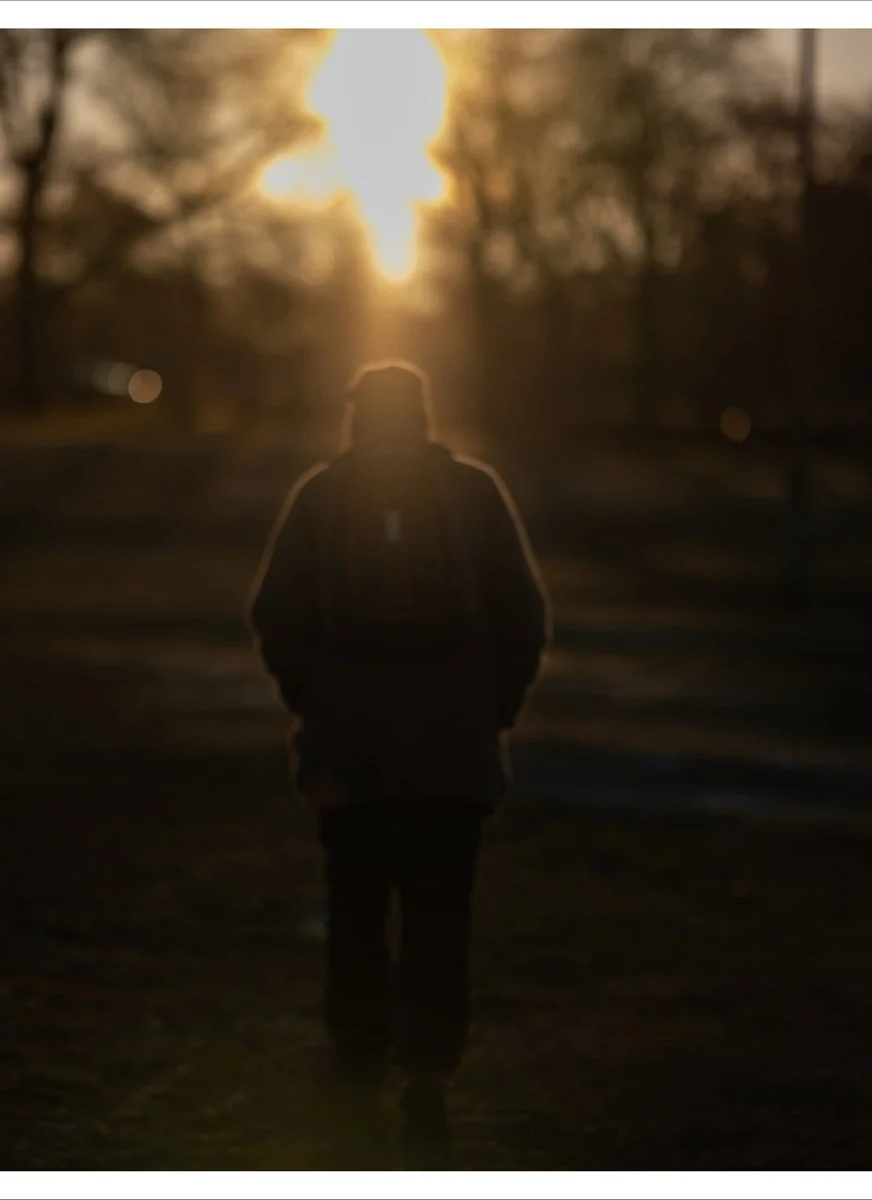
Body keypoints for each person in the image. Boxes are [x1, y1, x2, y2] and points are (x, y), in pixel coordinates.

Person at [249, 360, 549, 1166]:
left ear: (356, 416)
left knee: (353, 908)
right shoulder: (475, 493)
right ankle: (427, 1079)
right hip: (452, 753)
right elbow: (525, 616)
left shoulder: (321, 495)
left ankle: (355, 1067)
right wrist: (494, 710)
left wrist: (312, 699)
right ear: (422, 414)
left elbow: (273, 614)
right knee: (438, 917)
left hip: (348, 749)